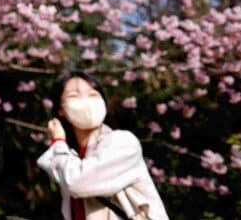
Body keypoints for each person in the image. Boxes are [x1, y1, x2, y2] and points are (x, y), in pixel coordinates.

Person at [37, 71, 169, 220]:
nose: (85, 101)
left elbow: (78, 183)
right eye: (74, 96)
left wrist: (58, 143)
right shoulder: (72, 158)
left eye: (93, 94)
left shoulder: (123, 142)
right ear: (60, 110)